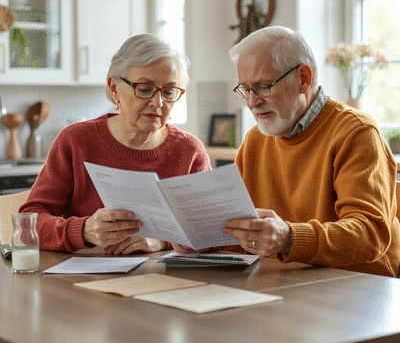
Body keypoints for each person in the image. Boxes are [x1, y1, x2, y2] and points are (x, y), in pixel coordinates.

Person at [221, 25, 400, 277]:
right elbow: (237, 233)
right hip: (283, 281)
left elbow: (369, 234)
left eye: (263, 87)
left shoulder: (357, 133)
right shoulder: (255, 140)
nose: (252, 102)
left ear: (303, 79)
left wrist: (289, 238)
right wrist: (193, 240)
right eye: (245, 89)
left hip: (356, 287)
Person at [19, 34, 211, 255]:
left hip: (164, 281)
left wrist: (162, 241)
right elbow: (29, 223)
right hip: (80, 282)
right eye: (145, 89)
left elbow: (207, 228)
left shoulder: (189, 151)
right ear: (114, 88)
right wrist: (83, 231)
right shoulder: (75, 141)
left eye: (168, 92)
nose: (158, 103)